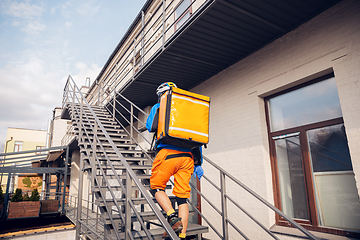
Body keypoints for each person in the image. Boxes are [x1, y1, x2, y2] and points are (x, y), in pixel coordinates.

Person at [146, 82, 204, 239]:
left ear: (160, 94)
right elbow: (196, 138)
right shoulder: (188, 110)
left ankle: (172, 217)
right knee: (182, 198)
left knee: (157, 188)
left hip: (167, 154)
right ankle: (182, 235)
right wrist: (199, 163)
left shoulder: (159, 106)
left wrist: (157, 109)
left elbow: (150, 126)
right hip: (188, 158)